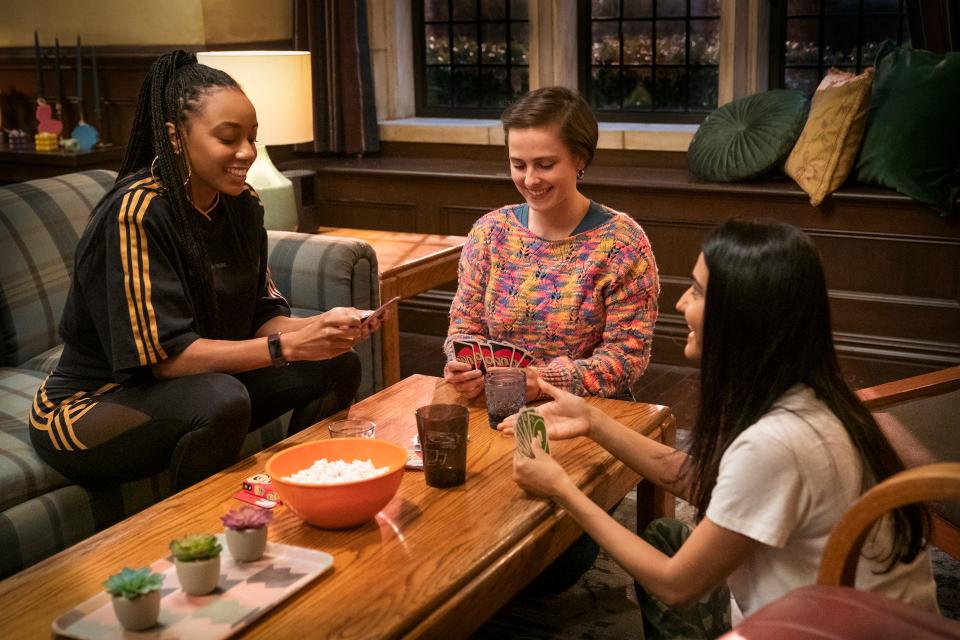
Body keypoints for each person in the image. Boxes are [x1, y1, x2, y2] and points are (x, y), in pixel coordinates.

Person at [505, 219, 938, 638]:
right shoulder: (814, 395)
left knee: (666, 552)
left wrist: (563, 490)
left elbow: (676, 585)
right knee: (664, 535)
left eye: (695, 290)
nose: (680, 304)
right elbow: (715, 483)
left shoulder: (778, 442)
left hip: (820, 631)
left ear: (740, 315)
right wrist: (594, 421)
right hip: (868, 620)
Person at [29, 50, 373, 492]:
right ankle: (205, 541)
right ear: (175, 137)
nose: (247, 152)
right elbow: (169, 359)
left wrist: (321, 330)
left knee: (336, 364)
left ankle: (307, 492)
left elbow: (261, 316)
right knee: (221, 399)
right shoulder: (137, 212)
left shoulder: (243, 206)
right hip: (89, 404)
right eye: (229, 138)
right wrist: (287, 345)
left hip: (189, 383)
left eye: (252, 137)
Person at [443, 86, 659, 401]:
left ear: (579, 158)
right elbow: (464, 330)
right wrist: (461, 365)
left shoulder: (622, 242)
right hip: (498, 403)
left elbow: (626, 357)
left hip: (591, 413)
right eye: (518, 165)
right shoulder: (489, 232)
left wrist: (543, 381)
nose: (530, 180)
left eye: (545, 165)